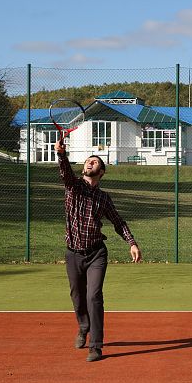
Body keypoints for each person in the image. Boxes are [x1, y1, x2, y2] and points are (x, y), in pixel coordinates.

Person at [55, 141, 142, 362]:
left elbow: (118, 222)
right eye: (87, 161)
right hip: (73, 253)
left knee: (94, 296)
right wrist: (61, 154)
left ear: (101, 171)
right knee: (77, 296)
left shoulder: (104, 198)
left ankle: (96, 345)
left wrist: (131, 243)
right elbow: (65, 173)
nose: (89, 163)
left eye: (94, 162)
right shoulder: (73, 187)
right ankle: (83, 326)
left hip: (96, 253)